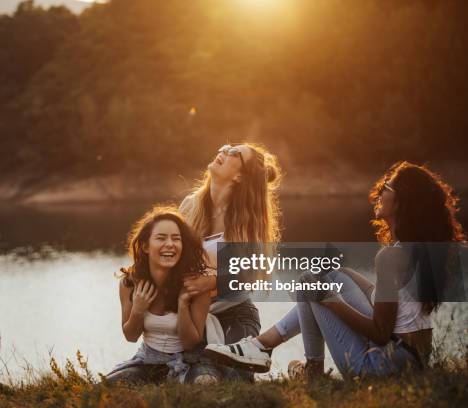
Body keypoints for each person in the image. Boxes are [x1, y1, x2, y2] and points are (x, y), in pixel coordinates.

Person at [205, 161, 465, 378]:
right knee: (326, 276)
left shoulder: (392, 257)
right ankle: (269, 349)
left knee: (310, 282)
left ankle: (297, 363)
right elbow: (389, 303)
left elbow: (381, 331)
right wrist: (342, 274)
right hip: (411, 361)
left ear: (401, 202)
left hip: (381, 366)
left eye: (388, 186)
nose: (380, 191)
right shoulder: (415, 249)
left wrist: (331, 301)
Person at [179, 143, 282, 381]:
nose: (223, 151)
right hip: (192, 317)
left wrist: (211, 281)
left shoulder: (248, 222)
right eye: (226, 147)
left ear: (239, 176)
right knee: (197, 376)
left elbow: (250, 275)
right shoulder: (190, 206)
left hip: (235, 315)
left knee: (233, 379)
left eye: (234, 153)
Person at [106, 206, 211, 384]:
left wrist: (183, 305)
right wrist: (138, 309)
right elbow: (131, 336)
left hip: (192, 360)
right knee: (108, 386)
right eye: (161, 238)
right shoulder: (130, 283)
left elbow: (190, 344)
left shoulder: (196, 285)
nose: (170, 244)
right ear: (146, 246)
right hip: (148, 360)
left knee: (205, 382)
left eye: (176, 239)